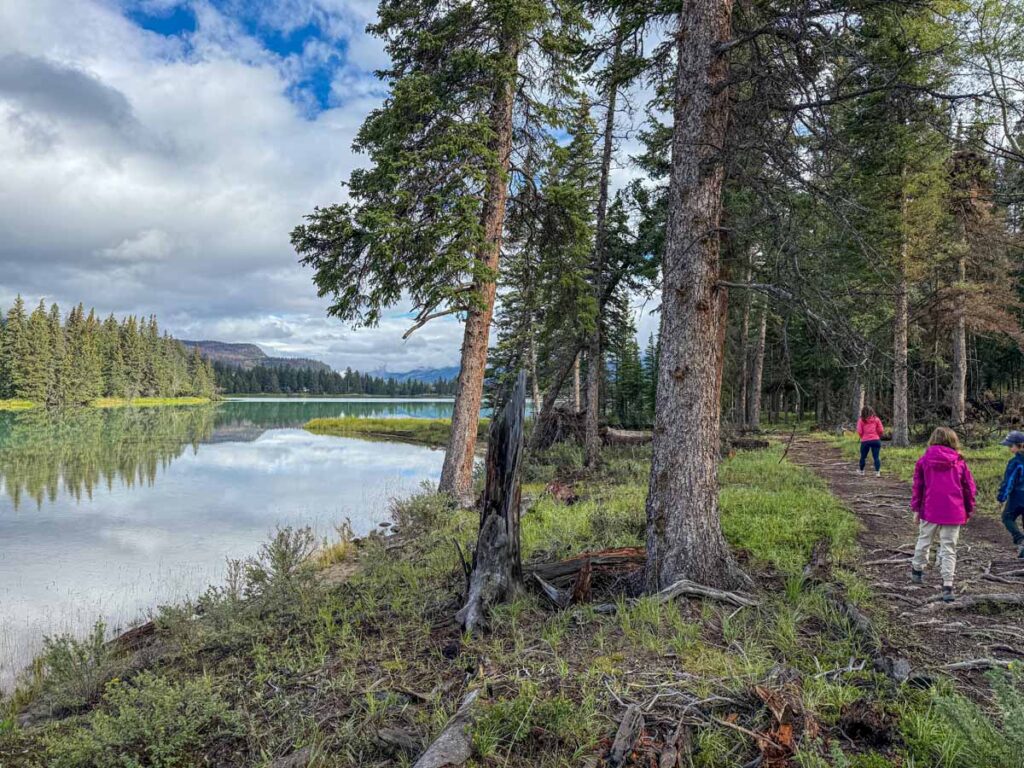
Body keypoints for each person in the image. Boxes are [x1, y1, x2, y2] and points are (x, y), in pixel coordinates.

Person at [910, 427, 976, 603]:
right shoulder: (960, 462)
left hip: (930, 509)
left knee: (924, 540)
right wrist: (968, 509)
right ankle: (947, 585)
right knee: (948, 547)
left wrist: (916, 509)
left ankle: (917, 570)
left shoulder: (923, 461)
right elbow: (969, 489)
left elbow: (918, 487)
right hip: (953, 511)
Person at [996, 430, 1024, 559]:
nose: (1009, 448)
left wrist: (1002, 497)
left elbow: (1009, 482)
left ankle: (1019, 539)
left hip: (1018, 497)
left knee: (1007, 517)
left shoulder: (1015, 462)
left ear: (1020, 445)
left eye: (1010, 446)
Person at [856, 406, 884, 477]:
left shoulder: (861, 420)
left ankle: (862, 471)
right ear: (872, 411)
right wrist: (878, 436)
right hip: (876, 440)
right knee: (876, 457)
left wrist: (862, 437)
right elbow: (881, 430)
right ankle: (877, 472)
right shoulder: (876, 419)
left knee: (863, 457)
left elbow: (859, 431)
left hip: (865, 441)